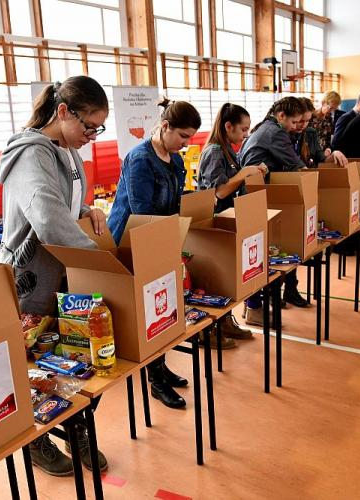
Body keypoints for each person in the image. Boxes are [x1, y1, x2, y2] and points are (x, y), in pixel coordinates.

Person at [0, 75, 109, 476]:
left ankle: (76, 426)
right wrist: (103, 264)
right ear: (62, 112)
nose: (92, 135)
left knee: (78, 361)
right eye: (88, 126)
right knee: (34, 366)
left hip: (65, 274)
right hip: (32, 280)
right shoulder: (31, 153)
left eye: (99, 128)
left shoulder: (68, 150)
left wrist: (88, 208)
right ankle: (36, 437)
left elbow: (65, 203)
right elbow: (47, 218)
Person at [108, 99, 201, 409]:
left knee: (162, 306)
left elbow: (175, 200)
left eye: (190, 138)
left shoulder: (175, 159)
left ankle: (159, 368)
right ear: (165, 127)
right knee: (148, 309)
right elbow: (141, 212)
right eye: (184, 136)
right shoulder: (139, 160)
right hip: (132, 241)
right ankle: (155, 380)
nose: (187, 144)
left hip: (159, 236)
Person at [197, 102, 268, 335]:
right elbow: (218, 192)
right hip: (214, 218)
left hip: (228, 217)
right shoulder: (215, 150)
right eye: (243, 129)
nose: (247, 134)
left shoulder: (228, 148)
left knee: (230, 272)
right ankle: (217, 326)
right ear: (228, 126)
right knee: (219, 275)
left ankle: (227, 321)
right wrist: (244, 173)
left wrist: (253, 171)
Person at [238, 96, 310, 309]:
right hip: (258, 195)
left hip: (255, 194)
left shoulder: (264, 127)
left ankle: (273, 295)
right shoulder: (275, 132)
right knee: (269, 249)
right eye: (294, 122)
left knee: (270, 247)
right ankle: (262, 300)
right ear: (281, 116)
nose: (296, 126)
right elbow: (296, 165)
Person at [295, 97, 348, 167]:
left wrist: (334, 154)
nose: (304, 125)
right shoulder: (285, 135)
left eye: (307, 121)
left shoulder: (311, 133)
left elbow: (322, 159)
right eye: (301, 121)